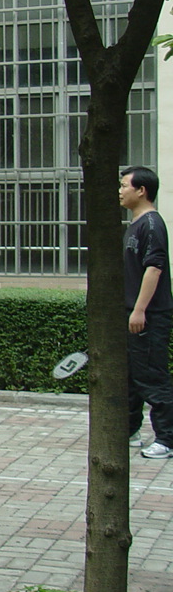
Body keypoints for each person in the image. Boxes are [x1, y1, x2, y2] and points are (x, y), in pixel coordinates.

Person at [120, 165, 173, 459]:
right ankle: (130, 431)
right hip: (134, 313)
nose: (120, 191)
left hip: (150, 316)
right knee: (132, 377)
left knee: (152, 377)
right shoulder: (136, 223)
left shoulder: (152, 224)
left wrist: (140, 311)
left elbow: (154, 268)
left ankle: (166, 439)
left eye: (124, 185)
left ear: (142, 190)